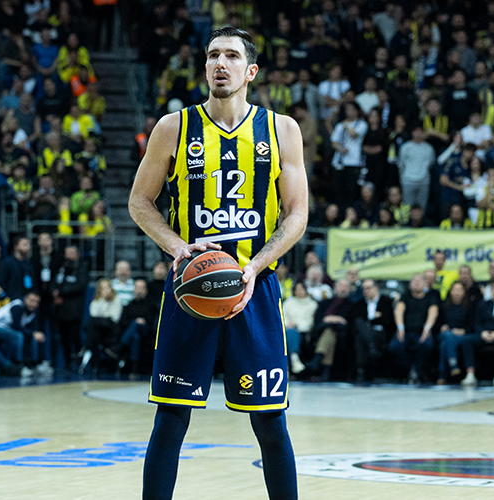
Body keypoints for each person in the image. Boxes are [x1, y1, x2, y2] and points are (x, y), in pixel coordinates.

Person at [128, 27, 307, 499]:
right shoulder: (173, 128)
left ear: (251, 71)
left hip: (255, 290)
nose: (220, 63)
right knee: (170, 419)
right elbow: (139, 202)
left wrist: (256, 265)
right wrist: (176, 246)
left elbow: (297, 214)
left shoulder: (282, 129)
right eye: (212, 55)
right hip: (189, 291)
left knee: (270, 423)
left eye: (231, 56)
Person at [460, 279, 494, 387]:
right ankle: (470, 374)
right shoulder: (482, 305)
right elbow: (476, 322)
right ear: (491, 290)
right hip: (483, 333)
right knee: (466, 340)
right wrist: (482, 332)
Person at [390, 274, 438, 383]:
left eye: (419, 281)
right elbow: (399, 310)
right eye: (414, 281)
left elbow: (433, 311)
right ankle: (409, 368)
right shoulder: (405, 296)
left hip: (422, 332)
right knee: (395, 346)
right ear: (410, 284)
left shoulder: (430, 297)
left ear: (425, 284)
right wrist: (400, 327)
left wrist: (427, 328)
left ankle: (416, 369)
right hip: (406, 332)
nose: (417, 283)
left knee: (426, 345)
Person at [350, 279, 395, 383]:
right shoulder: (359, 304)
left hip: (381, 333)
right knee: (360, 330)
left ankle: (361, 370)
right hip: (365, 333)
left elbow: (387, 320)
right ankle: (372, 347)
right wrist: (375, 318)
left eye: (368, 288)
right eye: (364, 289)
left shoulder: (386, 301)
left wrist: (370, 321)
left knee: (361, 335)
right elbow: (356, 321)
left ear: (376, 288)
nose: (366, 291)